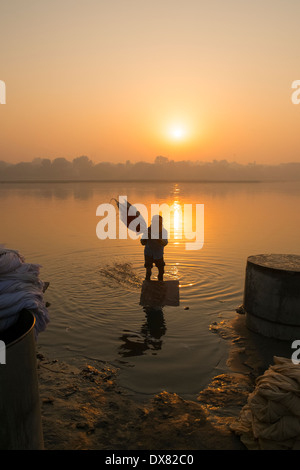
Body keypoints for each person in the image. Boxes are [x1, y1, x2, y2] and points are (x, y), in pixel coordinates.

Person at [140, 215, 168, 281]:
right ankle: (147, 284)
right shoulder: (147, 231)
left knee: (161, 272)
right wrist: (145, 239)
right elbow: (142, 242)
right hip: (148, 253)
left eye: (159, 223)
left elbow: (165, 243)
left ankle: (160, 284)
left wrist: (159, 240)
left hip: (159, 254)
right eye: (155, 222)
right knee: (148, 272)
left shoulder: (163, 231)